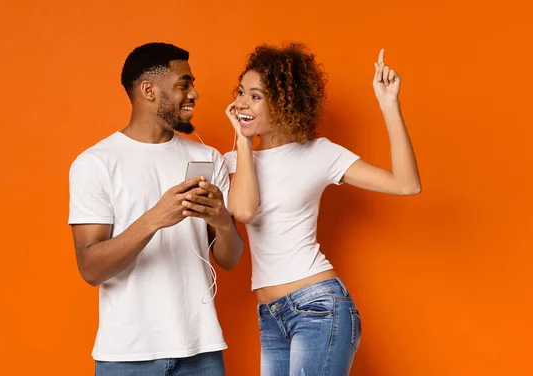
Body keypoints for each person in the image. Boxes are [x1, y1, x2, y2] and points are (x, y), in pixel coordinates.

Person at [223, 43, 421, 376]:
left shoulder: (319, 153)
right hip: (270, 316)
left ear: (284, 102)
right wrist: (243, 141)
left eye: (255, 96)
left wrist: (389, 106)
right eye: (241, 92)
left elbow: (406, 184)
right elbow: (243, 210)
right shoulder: (234, 163)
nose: (242, 103)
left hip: (318, 306)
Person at [68, 42, 244, 376]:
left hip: (201, 351)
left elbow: (230, 258)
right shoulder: (95, 164)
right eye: (183, 84)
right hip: (126, 355)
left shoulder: (207, 159)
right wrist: (154, 219)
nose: (194, 94)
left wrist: (221, 220)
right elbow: (90, 268)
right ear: (149, 90)